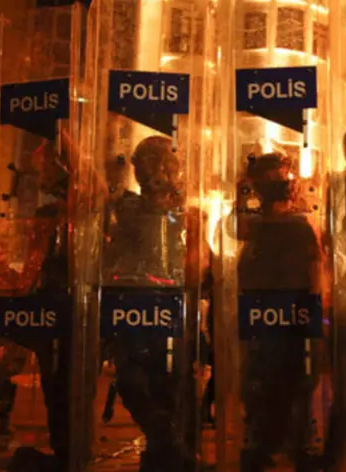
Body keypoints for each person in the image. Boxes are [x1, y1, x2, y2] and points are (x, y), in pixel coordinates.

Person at [102, 135, 206, 471]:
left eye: (162, 162)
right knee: (132, 381)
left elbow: (198, 261)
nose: (157, 170)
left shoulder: (187, 212)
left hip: (171, 302)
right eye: (148, 162)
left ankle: (167, 452)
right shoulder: (126, 206)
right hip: (131, 301)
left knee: (172, 386)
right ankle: (167, 442)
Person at [234, 152, 323, 471]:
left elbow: (315, 264)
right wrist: (243, 194)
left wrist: (315, 311)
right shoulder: (255, 223)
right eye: (272, 181)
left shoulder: (301, 223)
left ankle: (292, 445)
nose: (280, 188)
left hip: (293, 308)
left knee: (296, 378)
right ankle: (262, 443)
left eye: (283, 180)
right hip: (260, 307)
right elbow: (238, 229)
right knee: (260, 379)